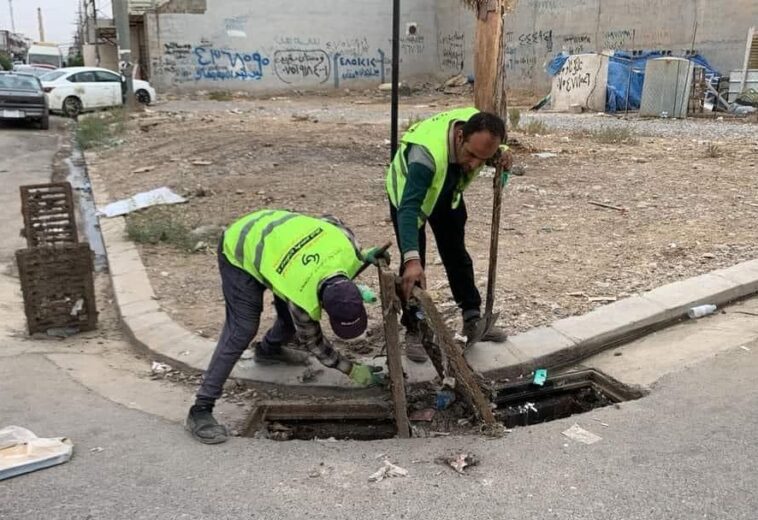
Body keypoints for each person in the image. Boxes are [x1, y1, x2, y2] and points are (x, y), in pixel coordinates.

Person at [186, 209, 387, 444]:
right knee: (242, 328)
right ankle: (200, 409)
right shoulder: (302, 299)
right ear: (321, 304)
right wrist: (351, 369)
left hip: (280, 245)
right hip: (242, 246)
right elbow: (315, 343)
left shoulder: (348, 244)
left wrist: (364, 256)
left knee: (288, 314)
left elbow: (329, 220)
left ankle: (269, 351)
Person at [386, 107, 514, 362]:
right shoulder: (425, 156)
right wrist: (411, 259)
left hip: (447, 186)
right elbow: (409, 209)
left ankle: (472, 318)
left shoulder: (482, 129)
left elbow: (493, 148)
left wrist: (503, 155)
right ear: (459, 138)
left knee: (456, 252)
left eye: (483, 158)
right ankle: (416, 329)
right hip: (409, 197)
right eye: (472, 155)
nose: (475, 164)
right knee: (413, 266)